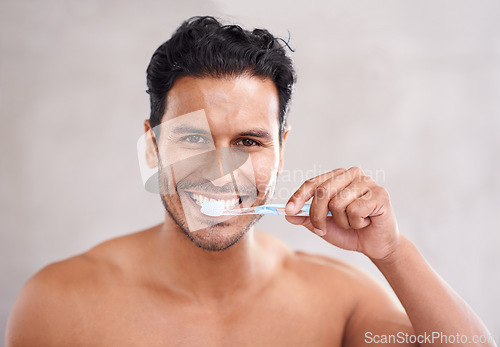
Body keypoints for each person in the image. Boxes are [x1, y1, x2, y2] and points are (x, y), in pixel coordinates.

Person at [6, 16, 495, 346]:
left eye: (249, 142)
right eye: (193, 138)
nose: (220, 170)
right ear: (153, 145)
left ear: (281, 150)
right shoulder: (59, 305)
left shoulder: (339, 302)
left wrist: (393, 254)